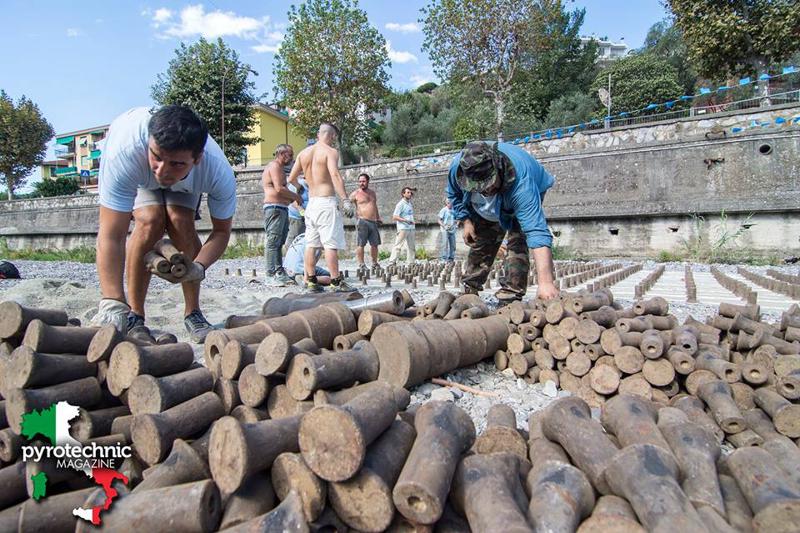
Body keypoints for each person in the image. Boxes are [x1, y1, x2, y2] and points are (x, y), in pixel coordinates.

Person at [92, 105, 236, 342]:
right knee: (150, 220)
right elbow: (111, 235)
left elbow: (221, 232)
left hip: (187, 183)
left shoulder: (216, 170)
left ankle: (193, 312)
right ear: (149, 144)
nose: (162, 171)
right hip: (139, 174)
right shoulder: (125, 153)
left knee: (180, 220)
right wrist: (112, 301)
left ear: (197, 158)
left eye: (176, 164)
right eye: (157, 157)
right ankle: (134, 314)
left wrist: (198, 267)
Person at [447, 140, 558, 303]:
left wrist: (546, 283)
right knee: (483, 238)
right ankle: (470, 287)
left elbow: (536, 231)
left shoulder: (522, 186)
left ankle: (511, 292)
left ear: (498, 168)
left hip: (519, 188)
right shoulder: (459, 168)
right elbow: (454, 195)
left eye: (488, 185)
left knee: (517, 240)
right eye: (478, 187)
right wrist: (466, 221)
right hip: (484, 207)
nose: (485, 191)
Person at [287, 123, 355, 292]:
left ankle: (311, 281)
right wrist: (345, 199)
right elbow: (335, 175)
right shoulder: (330, 152)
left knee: (311, 244)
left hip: (312, 204)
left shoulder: (304, 153)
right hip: (326, 202)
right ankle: (336, 282)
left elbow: (291, 179)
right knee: (330, 244)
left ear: (318, 134)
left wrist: (300, 187)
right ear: (332, 136)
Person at [262, 144, 302, 286]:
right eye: (290, 155)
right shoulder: (274, 166)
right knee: (273, 241)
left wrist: (291, 198)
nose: (291, 158)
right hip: (274, 208)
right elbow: (279, 189)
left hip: (281, 208)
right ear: (282, 154)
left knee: (280, 242)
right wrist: (296, 197)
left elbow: (282, 190)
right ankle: (270, 274)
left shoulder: (279, 168)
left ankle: (279, 272)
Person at [349, 173, 382, 269]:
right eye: (360, 181)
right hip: (362, 221)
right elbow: (347, 203)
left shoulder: (372, 193)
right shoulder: (355, 194)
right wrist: (348, 209)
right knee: (361, 244)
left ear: (368, 181)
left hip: (373, 222)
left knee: (375, 244)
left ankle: (374, 263)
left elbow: (374, 206)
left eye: (363, 181)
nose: (361, 183)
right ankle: (361, 264)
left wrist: (378, 217)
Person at [388, 186, 416, 266]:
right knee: (398, 246)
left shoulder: (409, 204)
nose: (410, 194)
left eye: (410, 193)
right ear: (403, 194)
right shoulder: (400, 204)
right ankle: (392, 262)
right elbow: (394, 217)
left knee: (411, 247)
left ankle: (411, 263)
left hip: (411, 228)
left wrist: (412, 221)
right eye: (408, 192)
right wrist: (406, 221)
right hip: (403, 228)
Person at [285, 175, 308, 249]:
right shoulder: (298, 184)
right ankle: (289, 254)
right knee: (293, 240)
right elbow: (292, 200)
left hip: (308, 218)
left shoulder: (313, 186)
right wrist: (302, 212)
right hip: (296, 217)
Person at [438, 197, 457, 263]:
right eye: (448, 203)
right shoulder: (444, 210)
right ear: (446, 203)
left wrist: (456, 224)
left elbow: (458, 218)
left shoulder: (454, 210)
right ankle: (443, 259)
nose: (449, 204)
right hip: (445, 230)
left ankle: (451, 258)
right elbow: (439, 220)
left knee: (453, 245)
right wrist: (444, 226)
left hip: (452, 229)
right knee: (444, 244)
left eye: (450, 202)